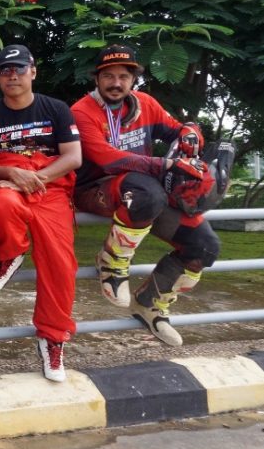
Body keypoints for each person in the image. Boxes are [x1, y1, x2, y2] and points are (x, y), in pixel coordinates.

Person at [71, 44, 219, 346]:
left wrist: (191, 132)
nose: (116, 83)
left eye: (123, 76)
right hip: (96, 188)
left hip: (144, 193)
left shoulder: (146, 104)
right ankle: (111, 263)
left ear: (133, 79)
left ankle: (150, 303)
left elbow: (177, 130)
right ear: (96, 79)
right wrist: (166, 165)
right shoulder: (81, 111)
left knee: (204, 247)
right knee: (147, 191)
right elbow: (108, 159)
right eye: (108, 76)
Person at [0, 45, 82, 382]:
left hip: (49, 188)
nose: (13, 76)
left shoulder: (56, 109)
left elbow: (73, 157)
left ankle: (53, 339)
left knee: (60, 264)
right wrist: (12, 174)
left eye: (19, 69)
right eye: (5, 71)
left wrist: (33, 180)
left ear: (33, 71)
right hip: (7, 182)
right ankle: (11, 254)